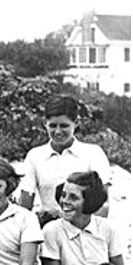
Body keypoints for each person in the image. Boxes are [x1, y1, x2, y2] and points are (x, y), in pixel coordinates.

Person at [19, 94, 111, 226]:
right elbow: (25, 206)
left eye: (64, 126)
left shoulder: (93, 153)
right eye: (52, 126)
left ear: (76, 123)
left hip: (82, 230)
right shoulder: (35, 156)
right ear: (45, 124)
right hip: (47, 229)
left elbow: (103, 205)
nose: (57, 131)